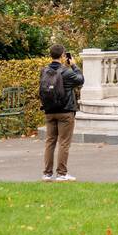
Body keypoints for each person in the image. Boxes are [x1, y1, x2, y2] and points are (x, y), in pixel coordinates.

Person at [40, 44, 84, 181]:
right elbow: (81, 80)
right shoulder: (66, 72)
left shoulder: (44, 71)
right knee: (64, 143)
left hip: (49, 111)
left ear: (50, 55)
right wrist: (74, 65)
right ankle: (61, 174)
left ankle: (47, 173)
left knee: (49, 142)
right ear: (63, 55)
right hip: (65, 111)